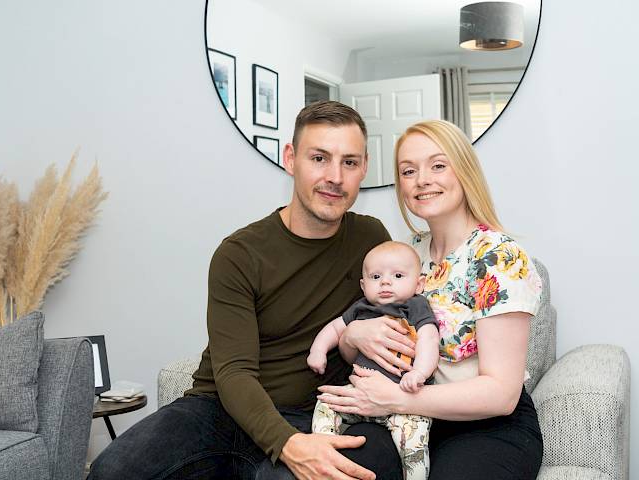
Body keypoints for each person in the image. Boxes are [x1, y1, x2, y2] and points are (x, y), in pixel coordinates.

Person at [87, 101, 407, 480]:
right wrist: (287, 444)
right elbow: (234, 371)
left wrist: (354, 333)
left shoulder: (371, 240)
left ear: (364, 168)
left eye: (349, 162)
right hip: (218, 410)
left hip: (313, 411)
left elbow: (392, 325)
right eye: (319, 158)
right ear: (291, 159)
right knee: (113, 471)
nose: (334, 176)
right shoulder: (240, 253)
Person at [316, 119, 544, 480]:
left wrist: (398, 400)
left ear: (464, 171)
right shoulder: (407, 255)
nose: (422, 179)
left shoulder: (499, 256)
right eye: (409, 170)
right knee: (347, 468)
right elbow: (362, 347)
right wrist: (352, 336)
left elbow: (502, 394)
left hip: (484, 424)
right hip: (404, 418)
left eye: (438, 165)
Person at [308, 240, 439, 480]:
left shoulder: (415, 306)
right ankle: (327, 447)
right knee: (325, 404)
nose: (386, 282)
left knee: (413, 443)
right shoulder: (361, 308)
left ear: (419, 283)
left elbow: (429, 340)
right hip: (359, 394)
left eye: (398, 275)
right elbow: (336, 328)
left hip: (404, 397)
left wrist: (418, 373)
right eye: (376, 276)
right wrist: (318, 350)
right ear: (363, 284)